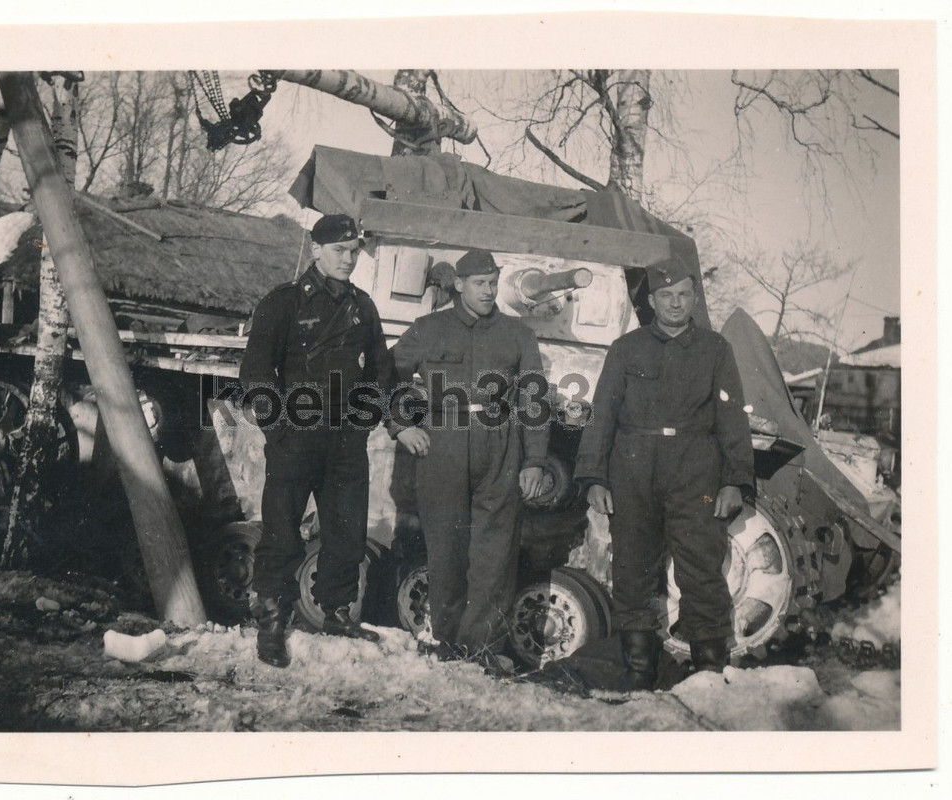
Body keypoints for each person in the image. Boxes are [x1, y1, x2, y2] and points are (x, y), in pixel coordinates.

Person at [574, 255, 754, 688]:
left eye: (684, 295)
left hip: (695, 470)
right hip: (633, 469)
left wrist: (735, 481)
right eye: (667, 296)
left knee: (701, 570)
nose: (676, 303)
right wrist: (594, 477)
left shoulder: (716, 350)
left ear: (695, 297)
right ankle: (637, 669)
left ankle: (709, 673)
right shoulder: (626, 349)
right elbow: (603, 414)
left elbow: (732, 418)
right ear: (652, 301)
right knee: (632, 569)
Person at [239, 214, 394, 668]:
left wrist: (364, 421)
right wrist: (278, 429)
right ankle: (271, 622)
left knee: (346, 530)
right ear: (316, 250)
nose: (349, 259)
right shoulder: (283, 303)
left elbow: (380, 373)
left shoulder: (363, 307)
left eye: (354, 252)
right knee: (282, 530)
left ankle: (336, 612)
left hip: (345, 438)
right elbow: (255, 374)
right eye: (340, 251)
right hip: (297, 436)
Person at [391, 249, 549, 675]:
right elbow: (387, 376)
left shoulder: (518, 335)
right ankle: (445, 642)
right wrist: (401, 425)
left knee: (494, 555)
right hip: (442, 442)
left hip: (500, 444)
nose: (489, 290)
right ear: (459, 284)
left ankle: (482, 649)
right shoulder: (428, 329)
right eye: (480, 283)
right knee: (445, 550)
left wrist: (534, 460)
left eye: (494, 282)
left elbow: (533, 401)